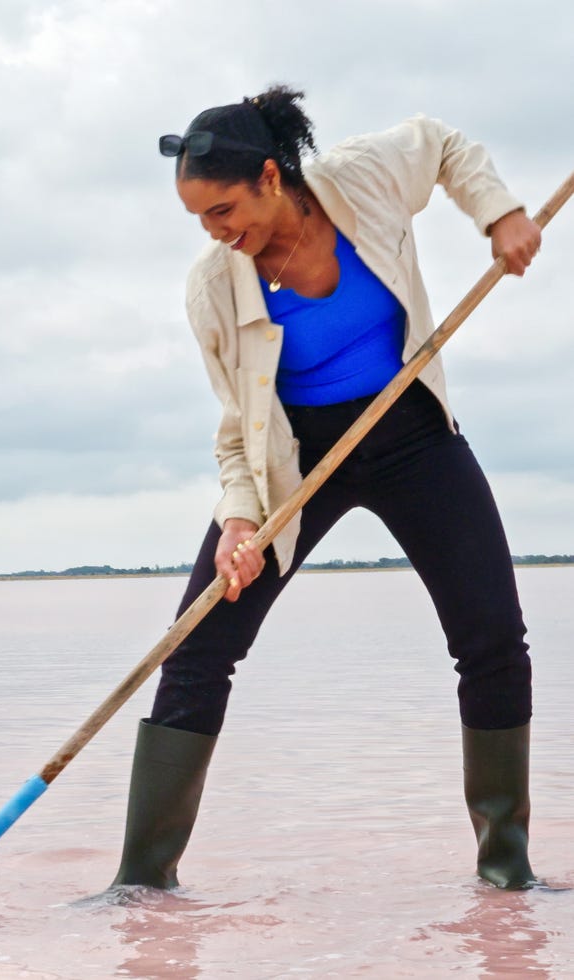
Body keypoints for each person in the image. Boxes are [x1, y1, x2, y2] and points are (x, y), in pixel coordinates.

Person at [111, 85, 544, 892]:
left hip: (411, 434)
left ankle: (506, 870)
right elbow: (241, 426)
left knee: (492, 639)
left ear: (273, 178)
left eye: (224, 210)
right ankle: (141, 883)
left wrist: (499, 214)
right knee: (199, 648)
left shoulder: (364, 176)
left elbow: (442, 142)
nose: (215, 233)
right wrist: (241, 522)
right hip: (294, 460)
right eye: (201, 218)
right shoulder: (214, 285)